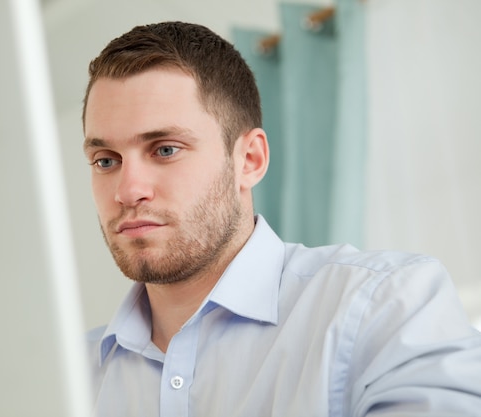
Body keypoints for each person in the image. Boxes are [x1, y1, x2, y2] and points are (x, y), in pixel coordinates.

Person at [81, 21, 481, 416]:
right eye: (105, 160)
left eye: (165, 149)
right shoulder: (72, 376)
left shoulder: (386, 307)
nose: (128, 191)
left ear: (249, 160)